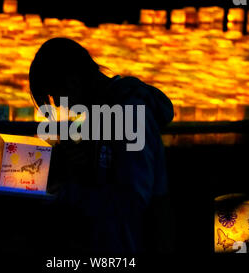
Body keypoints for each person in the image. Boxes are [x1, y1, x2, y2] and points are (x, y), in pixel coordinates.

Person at [29, 37, 174, 255]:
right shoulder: (97, 116)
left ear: (72, 80)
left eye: (54, 94)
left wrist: (63, 195)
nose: (58, 104)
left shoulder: (128, 115)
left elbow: (131, 200)